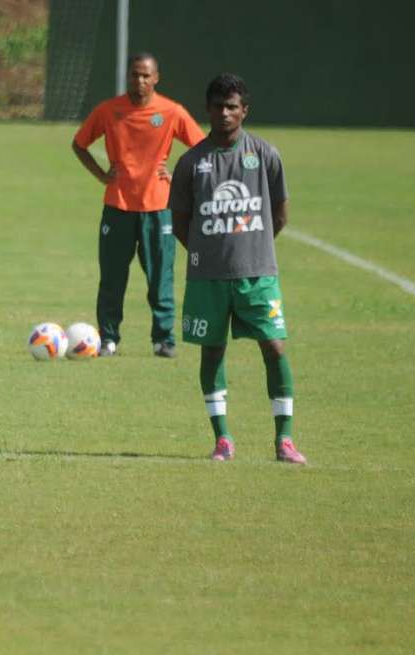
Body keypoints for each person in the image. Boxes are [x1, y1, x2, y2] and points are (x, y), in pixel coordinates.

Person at [168, 73, 306, 464]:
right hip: (207, 279)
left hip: (258, 275)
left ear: (244, 110)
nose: (225, 113)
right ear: (208, 110)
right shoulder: (192, 162)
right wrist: (208, 252)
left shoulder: (265, 155)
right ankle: (223, 439)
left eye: (233, 106)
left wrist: (252, 249)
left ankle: (285, 440)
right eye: (218, 106)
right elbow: (180, 220)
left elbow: (279, 214)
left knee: (275, 347)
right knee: (212, 353)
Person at [72, 52, 204, 357]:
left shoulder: (171, 112)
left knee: (160, 278)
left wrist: (179, 177)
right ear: (127, 76)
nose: (140, 80)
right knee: (112, 279)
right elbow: (79, 144)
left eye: (146, 75)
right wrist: (101, 175)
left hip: (159, 209)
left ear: (156, 78)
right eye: (135, 74)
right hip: (117, 207)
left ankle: (163, 340)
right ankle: (108, 338)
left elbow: (203, 149)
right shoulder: (108, 110)